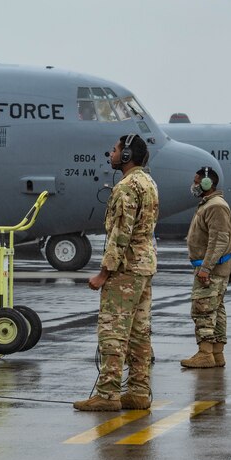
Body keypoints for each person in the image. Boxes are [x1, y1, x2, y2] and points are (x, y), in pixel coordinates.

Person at [74, 134, 159, 412]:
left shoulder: (126, 187)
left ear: (126, 155)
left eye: (114, 150)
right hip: (144, 266)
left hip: (125, 269)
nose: (110, 154)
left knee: (113, 330)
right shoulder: (148, 183)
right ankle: (138, 391)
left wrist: (103, 273)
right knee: (139, 332)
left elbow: (121, 234)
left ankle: (108, 394)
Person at [180, 166, 231, 369]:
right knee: (216, 310)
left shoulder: (215, 206)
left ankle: (205, 353)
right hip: (215, 268)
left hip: (212, 269)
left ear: (206, 184)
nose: (193, 185)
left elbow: (219, 240)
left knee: (203, 310)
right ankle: (216, 354)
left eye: (196, 181)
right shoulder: (211, 204)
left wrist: (206, 268)